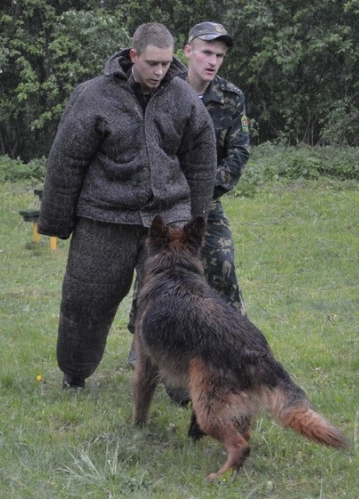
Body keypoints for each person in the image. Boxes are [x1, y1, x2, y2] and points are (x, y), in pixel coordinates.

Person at [38, 22, 217, 389]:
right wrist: (56, 221)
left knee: (178, 302)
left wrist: (195, 223)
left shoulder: (183, 98)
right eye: (152, 63)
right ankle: (75, 373)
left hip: (168, 216)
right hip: (105, 215)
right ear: (134, 55)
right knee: (85, 300)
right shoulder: (93, 96)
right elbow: (66, 160)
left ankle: (183, 386)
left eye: (166, 64)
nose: (160, 71)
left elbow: (201, 158)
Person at [127, 21, 251, 372]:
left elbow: (239, 153)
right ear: (188, 52)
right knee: (153, 269)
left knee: (222, 262)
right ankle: (143, 343)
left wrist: (205, 191)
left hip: (205, 203)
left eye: (220, 56)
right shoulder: (162, 89)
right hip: (163, 203)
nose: (212, 61)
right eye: (207, 53)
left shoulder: (230, 97)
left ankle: (234, 337)